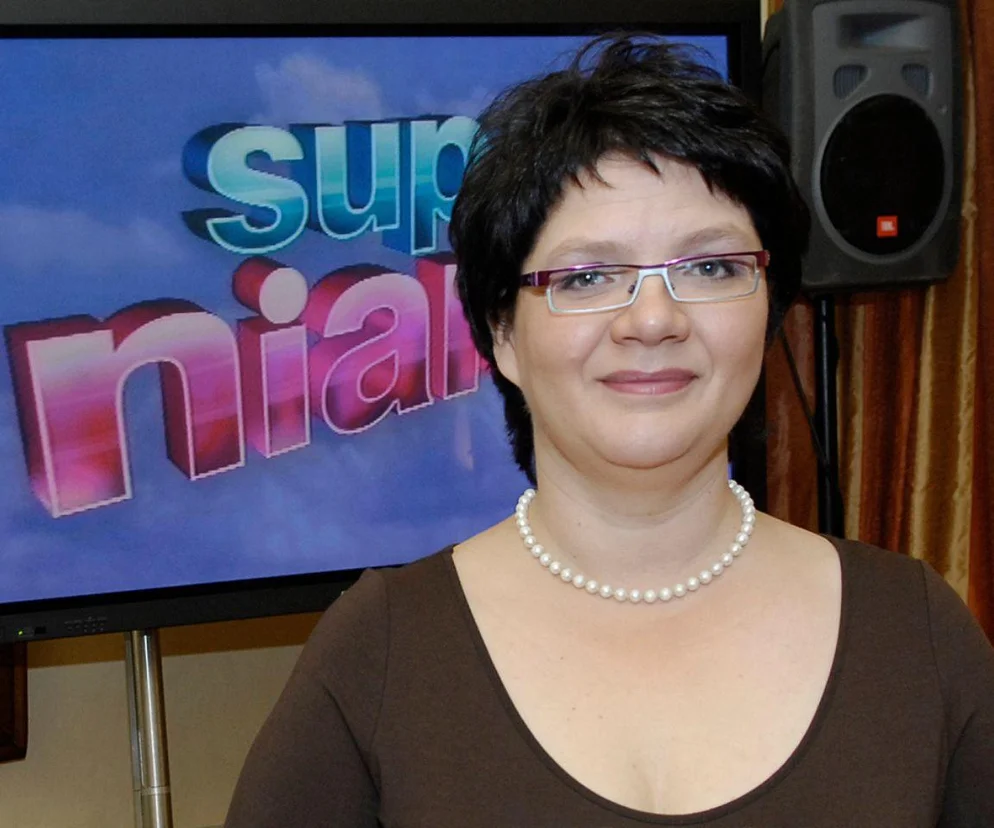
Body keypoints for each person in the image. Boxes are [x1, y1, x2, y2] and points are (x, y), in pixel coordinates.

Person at [224, 35, 994, 826]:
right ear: (502, 334)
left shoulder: (916, 635)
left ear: (770, 309)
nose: (653, 320)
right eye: (587, 276)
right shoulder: (381, 653)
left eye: (710, 267)